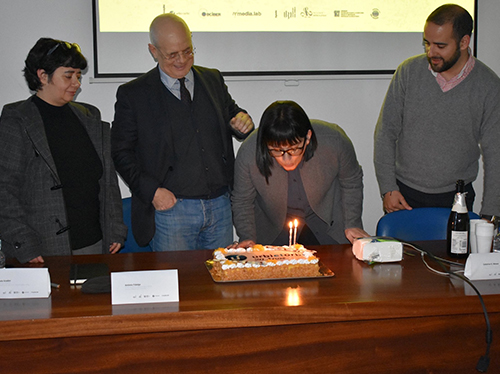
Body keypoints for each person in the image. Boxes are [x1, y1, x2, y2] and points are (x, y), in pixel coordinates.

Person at [111, 13, 254, 251]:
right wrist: (152, 192)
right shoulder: (133, 95)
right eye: (172, 55)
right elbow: (120, 152)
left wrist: (241, 120)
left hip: (220, 206)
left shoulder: (212, 79)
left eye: (187, 51)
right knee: (176, 283)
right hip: (171, 212)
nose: (182, 60)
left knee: (219, 282)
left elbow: (232, 113)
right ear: (153, 51)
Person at [0, 38, 127, 264]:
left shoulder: (90, 117)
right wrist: (24, 243)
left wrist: (115, 227)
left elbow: (107, 180)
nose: (76, 83)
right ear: (42, 75)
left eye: (78, 76)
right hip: (39, 250)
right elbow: (4, 191)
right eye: (68, 76)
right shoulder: (16, 120)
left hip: (94, 244)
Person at [374, 4, 500, 219]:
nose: (431, 52)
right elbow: (385, 132)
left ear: (464, 42)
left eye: (440, 45)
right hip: (404, 195)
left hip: (457, 198)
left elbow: (495, 153)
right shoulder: (408, 72)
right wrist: (388, 188)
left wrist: (491, 213)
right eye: (427, 43)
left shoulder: (488, 85)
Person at [231, 101, 368, 248]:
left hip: (329, 225)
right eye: (276, 151)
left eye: (294, 149)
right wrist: (247, 237)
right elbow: (242, 200)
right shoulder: (249, 152)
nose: (286, 159)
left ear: (308, 137)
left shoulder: (334, 141)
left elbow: (351, 181)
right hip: (274, 231)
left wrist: (352, 223)